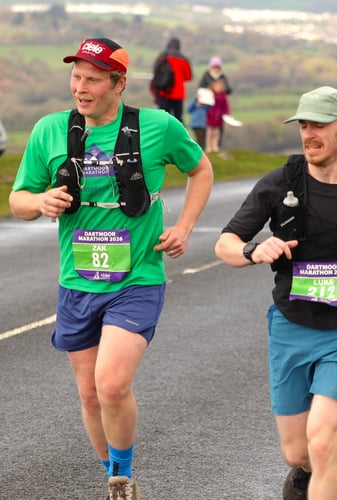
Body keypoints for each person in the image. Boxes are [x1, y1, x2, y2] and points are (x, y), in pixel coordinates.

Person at [8, 38, 213, 499]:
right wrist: (40, 201)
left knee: (113, 383)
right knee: (89, 395)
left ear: (119, 84)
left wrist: (184, 226)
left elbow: (201, 170)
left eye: (93, 79)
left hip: (137, 277)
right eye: (76, 77)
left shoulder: (158, 126)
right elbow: (17, 201)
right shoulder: (49, 131)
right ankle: (113, 472)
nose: (81, 88)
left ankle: (121, 477)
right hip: (77, 281)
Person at [214, 86, 337, 500]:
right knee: (297, 451)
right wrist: (253, 249)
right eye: (303, 124)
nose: (309, 133)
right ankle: (303, 472)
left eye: (319, 125)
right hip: (290, 326)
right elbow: (225, 244)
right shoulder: (279, 183)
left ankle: (316, 471)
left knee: (323, 443)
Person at [152, 37, 192, 123]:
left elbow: (155, 72)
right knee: (178, 118)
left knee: (163, 118)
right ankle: (178, 136)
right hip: (178, 93)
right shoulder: (184, 59)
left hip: (164, 92)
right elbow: (188, 77)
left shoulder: (162, 57)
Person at [199, 56, 232, 147]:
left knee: (219, 130)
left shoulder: (223, 77)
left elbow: (228, 89)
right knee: (209, 130)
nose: (216, 69)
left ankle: (217, 146)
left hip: (220, 108)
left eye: (218, 67)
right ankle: (208, 146)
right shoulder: (206, 76)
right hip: (209, 108)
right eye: (214, 67)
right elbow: (201, 88)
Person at [205, 79, 230, 154]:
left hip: (219, 116)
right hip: (210, 116)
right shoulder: (210, 94)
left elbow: (226, 105)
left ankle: (215, 146)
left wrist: (227, 113)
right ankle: (208, 147)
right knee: (209, 133)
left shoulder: (223, 96)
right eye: (217, 87)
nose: (218, 88)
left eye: (220, 87)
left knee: (217, 133)